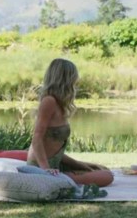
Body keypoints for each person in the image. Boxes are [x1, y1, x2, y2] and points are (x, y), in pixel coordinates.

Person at [27, 58, 114, 187]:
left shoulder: (60, 103)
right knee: (107, 177)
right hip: (42, 167)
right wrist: (45, 170)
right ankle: (57, 180)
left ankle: (64, 178)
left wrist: (80, 164)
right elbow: (37, 138)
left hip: (56, 163)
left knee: (101, 169)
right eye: (73, 77)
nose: (76, 81)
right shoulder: (49, 101)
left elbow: (55, 150)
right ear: (65, 79)